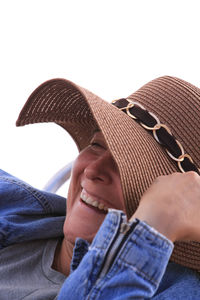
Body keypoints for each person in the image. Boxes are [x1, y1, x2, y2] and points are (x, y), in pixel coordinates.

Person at [0, 75, 200, 299]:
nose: (93, 170)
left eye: (130, 166)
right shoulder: (13, 208)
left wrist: (151, 229)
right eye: (96, 145)